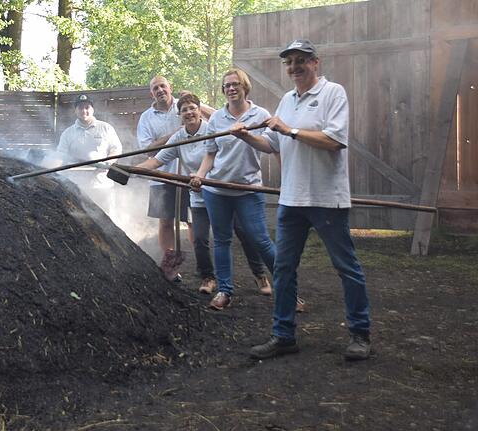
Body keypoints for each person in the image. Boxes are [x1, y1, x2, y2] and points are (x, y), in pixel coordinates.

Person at [234, 39, 371, 361]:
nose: (294, 67)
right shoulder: (287, 100)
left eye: (300, 60)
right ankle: (283, 335)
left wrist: (290, 130)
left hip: (326, 200)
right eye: (289, 62)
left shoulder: (332, 93)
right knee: (283, 268)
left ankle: (360, 334)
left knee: (346, 267)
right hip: (292, 200)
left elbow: (335, 140)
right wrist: (247, 137)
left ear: (315, 63)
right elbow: (272, 145)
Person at [190, 68, 278, 311]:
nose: (231, 88)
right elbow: (210, 152)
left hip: (248, 189)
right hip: (217, 191)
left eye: (235, 84)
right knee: (221, 240)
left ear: (245, 87)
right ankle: (225, 291)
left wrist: (246, 136)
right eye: (227, 85)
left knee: (260, 240)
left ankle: (288, 288)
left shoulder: (260, 115)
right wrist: (200, 176)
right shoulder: (217, 118)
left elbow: (270, 146)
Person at [136, 93, 216, 293]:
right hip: (196, 191)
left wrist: (202, 175)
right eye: (184, 110)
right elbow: (156, 159)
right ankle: (208, 277)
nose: (189, 113)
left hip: (215, 189)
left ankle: (257, 276)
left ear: (199, 110)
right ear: (179, 115)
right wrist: (134, 170)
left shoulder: (211, 130)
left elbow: (217, 157)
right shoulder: (178, 137)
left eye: (192, 108)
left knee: (227, 234)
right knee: (199, 236)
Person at [57, 94, 122, 214]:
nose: (84, 110)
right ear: (75, 110)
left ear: (92, 109)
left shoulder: (106, 128)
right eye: (80, 107)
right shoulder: (67, 133)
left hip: (102, 185)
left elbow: (116, 149)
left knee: (108, 222)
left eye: (87, 107)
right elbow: (60, 156)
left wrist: (108, 162)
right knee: (81, 223)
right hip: (76, 188)